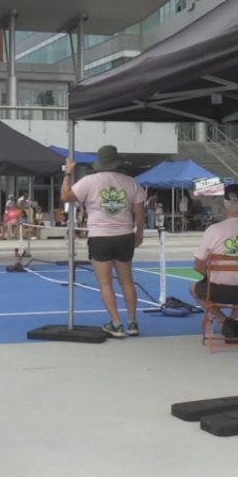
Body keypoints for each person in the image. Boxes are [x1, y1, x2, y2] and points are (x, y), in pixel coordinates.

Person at [62, 145, 145, 338]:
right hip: (124, 235)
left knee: (105, 282)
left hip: (100, 235)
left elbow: (65, 196)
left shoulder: (89, 181)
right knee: (127, 281)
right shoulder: (132, 183)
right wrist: (139, 232)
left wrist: (68, 173)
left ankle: (116, 323)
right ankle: (133, 321)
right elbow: (139, 212)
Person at [190, 184, 238, 341]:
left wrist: (214, 275)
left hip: (217, 290)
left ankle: (222, 319)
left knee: (194, 288)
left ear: (223, 204)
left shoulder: (213, 231)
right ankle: (236, 321)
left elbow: (198, 265)